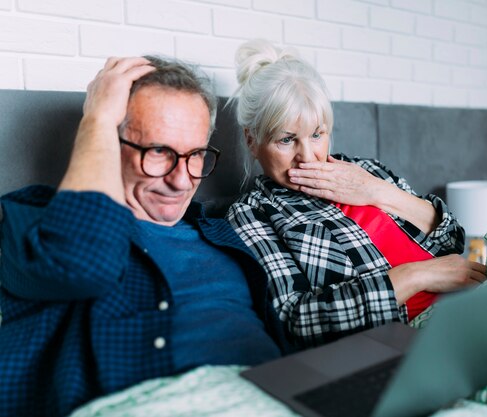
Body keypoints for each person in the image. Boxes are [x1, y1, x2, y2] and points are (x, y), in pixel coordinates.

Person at [0, 56, 289, 417]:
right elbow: (79, 264)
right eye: (158, 151)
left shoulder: (223, 234)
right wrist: (99, 118)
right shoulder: (32, 218)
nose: (182, 181)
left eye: (195, 154)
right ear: (109, 144)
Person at [227, 39, 487, 349]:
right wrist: (419, 275)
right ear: (252, 140)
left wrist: (378, 191)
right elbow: (295, 319)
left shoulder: (368, 170)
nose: (308, 157)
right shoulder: (253, 213)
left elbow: (452, 239)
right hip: (404, 340)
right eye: (286, 140)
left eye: (316, 134)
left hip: (469, 305)